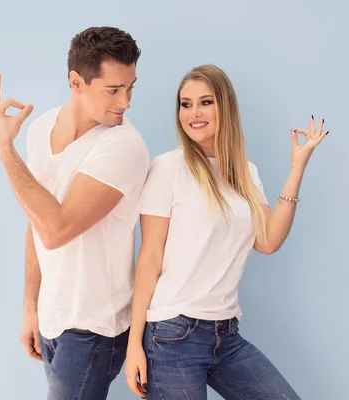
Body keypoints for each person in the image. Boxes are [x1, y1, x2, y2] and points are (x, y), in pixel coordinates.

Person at [124, 64, 328, 399]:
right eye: (185, 104)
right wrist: (135, 345)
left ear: (225, 107)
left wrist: (297, 167)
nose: (193, 113)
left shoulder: (245, 173)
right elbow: (149, 258)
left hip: (226, 334)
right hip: (173, 334)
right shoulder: (167, 169)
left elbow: (268, 240)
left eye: (205, 102)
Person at [0, 26, 150, 399]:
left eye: (130, 87)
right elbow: (37, 218)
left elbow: (56, 229)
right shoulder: (41, 128)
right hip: (53, 320)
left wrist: (4, 150)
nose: (125, 102)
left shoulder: (123, 145)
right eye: (113, 89)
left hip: (95, 328)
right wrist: (31, 307)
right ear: (77, 82)